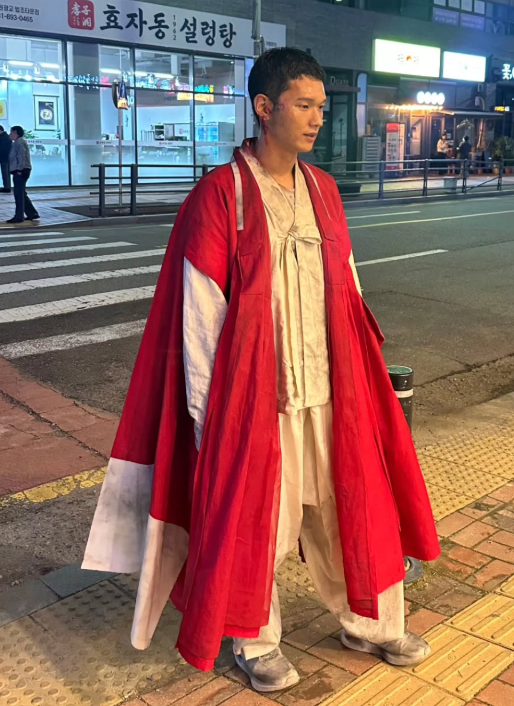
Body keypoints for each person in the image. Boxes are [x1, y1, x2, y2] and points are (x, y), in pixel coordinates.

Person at [83, 48, 440, 693]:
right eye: (304, 106)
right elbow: (200, 320)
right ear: (265, 107)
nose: (317, 119)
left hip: (331, 391)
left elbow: (348, 290)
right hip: (255, 403)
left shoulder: (324, 190)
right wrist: (208, 420)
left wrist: (362, 376)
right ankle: (256, 640)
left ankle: (373, 623)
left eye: (321, 107)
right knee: (260, 525)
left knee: (353, 509)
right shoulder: (221, 197)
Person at [7, 125, 39, 224]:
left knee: (19, 194)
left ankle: (19, 216)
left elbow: (21, 156)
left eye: (11, 132)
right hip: (21, 170)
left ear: (15, 132)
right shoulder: (18, 142)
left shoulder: (19, 142)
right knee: (21, 193)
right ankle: (32, 213)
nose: (9, 134)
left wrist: (19, 169)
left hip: (21, 170)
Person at [0, 125, 11, 193]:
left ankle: (7, 187)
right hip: (6, 157)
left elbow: (2, 148)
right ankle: (7, 187)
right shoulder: (5, 137)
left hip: (4, 158)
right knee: (6, 173)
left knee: (5, 173)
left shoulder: (4, 137)